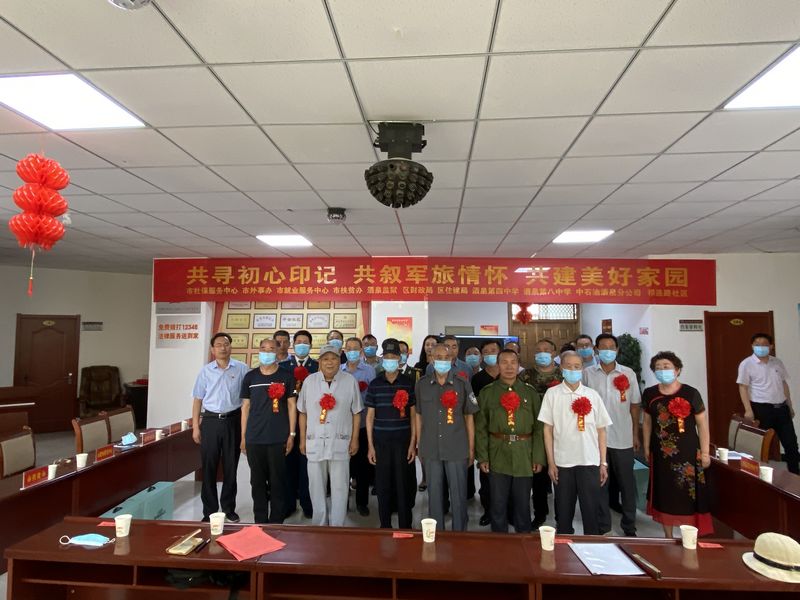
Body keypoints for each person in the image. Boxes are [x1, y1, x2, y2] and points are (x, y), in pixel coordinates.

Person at [539, 350, 610, 535]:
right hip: (563, 463)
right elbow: (547, 430)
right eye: (568, 366)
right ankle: (564, 545)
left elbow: (601, 430)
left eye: (577, 366)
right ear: (561, 368)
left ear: (582, 369)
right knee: (563, 513)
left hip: (589, 461)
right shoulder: (552, 394)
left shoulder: (592, 395)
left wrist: (603, 462)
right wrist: (551, 463)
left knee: (591, 512)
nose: (573, 370)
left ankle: (591, 546)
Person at [642, 351, 712, 537]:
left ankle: (689, 535)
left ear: (677, 369)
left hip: (688, 452)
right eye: (658, 368)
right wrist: (646, 447)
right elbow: (647, 423)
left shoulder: (691, 393)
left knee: (687, 492)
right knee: (665, 493)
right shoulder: (650, 393)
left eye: (666, 366)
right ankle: (668, 535)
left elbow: (702, 425)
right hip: (661, 453)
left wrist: (705, 452)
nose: (662, 370)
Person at [476, 349, 545, 533]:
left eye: (513, 362)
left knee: (522, 503)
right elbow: (480, 428)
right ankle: (500, 543)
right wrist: (483, 457)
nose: (509, 367)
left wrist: (538, 457)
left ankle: (523, 539)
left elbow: (539, 428)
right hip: (497, 452)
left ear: (518, 365)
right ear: (498, 365)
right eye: (504, 362)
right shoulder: (488, 393)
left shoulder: (530, 393)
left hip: (524, 453)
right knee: (498, 503)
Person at [416, 343, 479, 531]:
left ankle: (460, 533)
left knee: (459, 494)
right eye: (438, 357)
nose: (442, 361)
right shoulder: (422, 385)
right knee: (434, 494)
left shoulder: (462, 383)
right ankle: (436, 532)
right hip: (431, 447)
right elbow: (418, 416)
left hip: (457, 447)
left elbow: (469, 417)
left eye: (446, 357)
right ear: (430, 359)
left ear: (452, 360)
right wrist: (419, 445)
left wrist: (471, 448)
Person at [583, 333, 641, 537]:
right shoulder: (587, 374)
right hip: (595, 439)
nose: (607, 350)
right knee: (600, 484)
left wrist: (635, 434)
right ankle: (603, 526)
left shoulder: (628, 373)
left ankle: (629, 525)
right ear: (596, 350)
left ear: (617, 350)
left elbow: (635, 405)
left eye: (611, 347)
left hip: (623, 437)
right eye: (603, 347)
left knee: (626, 484)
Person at [298, 343, 362, 526]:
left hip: (340, 441)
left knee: (340, 486)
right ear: (319, 361)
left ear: (339, 360)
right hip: (314, 441)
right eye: (325, 359)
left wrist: (355, 439)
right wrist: (302, 439)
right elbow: (302, 412)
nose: (329, 362)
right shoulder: (309, 381)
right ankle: (319, 523)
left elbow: (357, 412)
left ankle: (337, 525)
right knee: (316, 486)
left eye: (333, 358)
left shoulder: (349, 381)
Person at [191, 332, 248, 523]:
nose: (223, 347)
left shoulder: (242, 369)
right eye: (218, 345)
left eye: (226, 344)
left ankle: (229, 509)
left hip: (233, 420)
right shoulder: (205, 371)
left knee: (231, 467)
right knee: (209, 467)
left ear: (231, 347)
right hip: (210, 422)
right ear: (212, 349)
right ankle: (209, 511)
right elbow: (197, 400)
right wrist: (196, 427)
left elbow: (247, 401)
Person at [240, 338, 296, 523]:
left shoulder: (287, 376)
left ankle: (277, 520)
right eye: (263, 348)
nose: (267, 352)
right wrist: (243, 437)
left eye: (271, 349)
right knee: (257, 481)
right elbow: (245, 408)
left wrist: (292, 434)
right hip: (254, 438)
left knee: (277, 481)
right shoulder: (250, 377)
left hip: (278, 438)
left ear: (278, 352)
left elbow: (291, 406)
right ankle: (260, 519)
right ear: (259, 351)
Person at [366, 339, 417, 529]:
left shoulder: (408, 383)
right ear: (382, 359)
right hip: (381, 443)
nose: (390, 360)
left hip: (403, 442)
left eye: (393, 356)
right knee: (383, 485)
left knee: (404, 485)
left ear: (399, 358)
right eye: (386, 357)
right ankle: (385, 525)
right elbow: (370, 417)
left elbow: (413, 416)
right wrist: (370, 446)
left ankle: (405, 525)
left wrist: (413, 443)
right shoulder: (375, 384)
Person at [737, 333, 798, 474]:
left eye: (764, 344)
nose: (760, 347)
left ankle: (795, 475)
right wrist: (748, 410)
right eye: (757, 344)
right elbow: (743, 387)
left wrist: (789, 405)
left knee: (791, 443)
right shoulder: (746, 364)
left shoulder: (777, 362)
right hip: (761, 409)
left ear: (771, 346)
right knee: (759, 446)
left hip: (781, 408)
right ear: (752, 346)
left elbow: (783, 384)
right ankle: (757, 476)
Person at [521, 338, 562, 529]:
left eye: (546, 349)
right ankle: (540, 514)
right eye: (538, 350)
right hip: (535, 432)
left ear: (554, 353)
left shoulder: (564, 374)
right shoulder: (525, 375)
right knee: (538, 477)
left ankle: (563, 515)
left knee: (562, 477)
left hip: (560, 432)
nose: (542, 353)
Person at [342, 336, 376, 516]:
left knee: (362, 467)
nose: (352, 352)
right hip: (342, 426)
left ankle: (362, 502)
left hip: (362, 425)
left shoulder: (369, 371)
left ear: (361, 350)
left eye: (356, 348)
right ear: (345, 350)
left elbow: (373, 398)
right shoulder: (339, 370)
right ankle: (343, 502)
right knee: (343, 467)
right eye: (349, 348)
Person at [285, 330, 316, 519]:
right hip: (287, 423)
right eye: (298, 342)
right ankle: (288, 503)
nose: (302, 345)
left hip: (311, 421)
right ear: (293, 345)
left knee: (307, 466)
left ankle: (307, 503)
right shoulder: (283, 367)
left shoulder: (318, 366)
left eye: (305, 342)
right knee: (287, 465)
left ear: (310, 346)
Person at [471, 340, 501, 526]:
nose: (490, 354)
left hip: (506, 433)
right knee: (486, 475)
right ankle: (488, 510)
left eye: (494, 350)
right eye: (486, 351)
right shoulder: (477, 379)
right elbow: (473, 407)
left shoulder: (509, 375)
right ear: (482, 356)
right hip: (485, 432)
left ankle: (506, 509)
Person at [414, 334, 439, 491]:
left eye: (433, 344)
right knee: (424, 445)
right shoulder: (419, 366)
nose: (430, 347)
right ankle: (424, 477)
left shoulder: (442, 364)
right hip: (424, 409)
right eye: (427, 344)